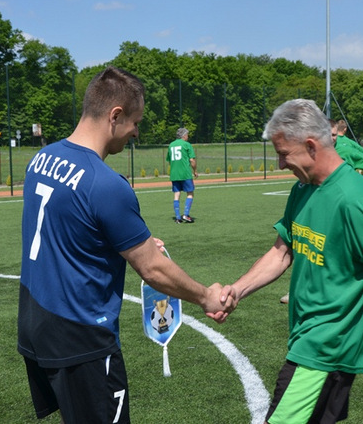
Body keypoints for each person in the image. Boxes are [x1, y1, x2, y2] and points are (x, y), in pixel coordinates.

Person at [17, 66, 233, 424]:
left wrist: (129, 241)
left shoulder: (42, 159)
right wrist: (206, 297)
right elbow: (152, 268)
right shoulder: (105, 183)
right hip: (82, 335)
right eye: (136, 122)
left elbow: (69, 229)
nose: (136, 132)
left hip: (35, 324)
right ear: (115, 116)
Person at [219, 99, 363, 423]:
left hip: (326, 349)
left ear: (311, 146)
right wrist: (237, 290)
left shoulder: (353, 199)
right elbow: (281, 252)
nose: (280, 164)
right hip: (305, 340)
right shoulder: (302, 190)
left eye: (284, 154)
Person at [278, 118, 363, 304]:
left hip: (340, 202)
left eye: (334, 135)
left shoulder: (346, 149)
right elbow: (280, 253)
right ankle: (299, 290)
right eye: (328, 135)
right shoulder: (301, 187)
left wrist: (360, 183)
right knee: (308, 247)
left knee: (330, 253)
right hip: (320, 198)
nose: (332, 138)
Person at [167, 127, 198, 223]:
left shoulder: (171, 145)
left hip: (174, 174)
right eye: (187, 135)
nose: (188, 137)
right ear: (184, 135)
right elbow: (192, 160)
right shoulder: (186, 144)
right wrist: (195, 171)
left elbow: (169, 160)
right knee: (190, 193)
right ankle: (186, 214)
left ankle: (178, 217)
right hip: (185, 173)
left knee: (177, 194)